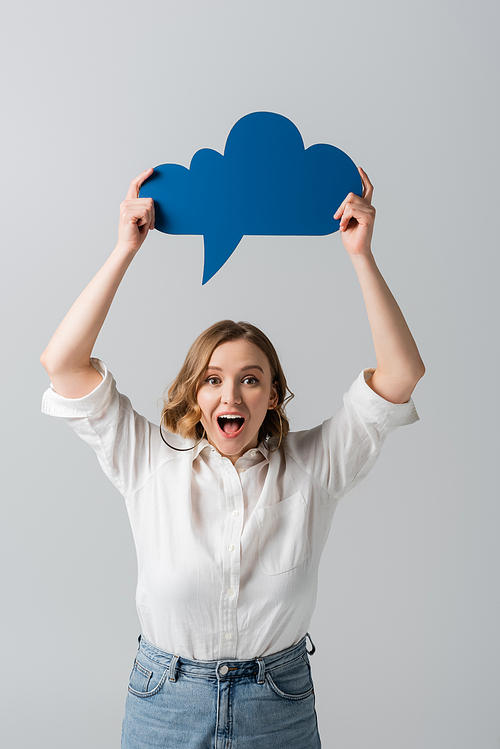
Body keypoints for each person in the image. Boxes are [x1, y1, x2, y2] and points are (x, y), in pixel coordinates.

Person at [40, 166, 425, 748]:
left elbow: (400, 375)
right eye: (213, 378)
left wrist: (361, 255)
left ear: (272, 397)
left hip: (277, 705)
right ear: (195, 393)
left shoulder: (313, 467)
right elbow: (63, 364)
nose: (231, 394)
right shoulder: (147, 460)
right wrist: (124, 249)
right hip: (165, 703)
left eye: (250, 379)